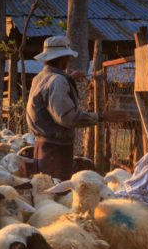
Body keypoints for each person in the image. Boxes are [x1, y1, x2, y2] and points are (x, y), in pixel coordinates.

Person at [25, 36, 124, 181]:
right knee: (58, 193)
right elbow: (66, 117)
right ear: (62, 59)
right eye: (67, 58)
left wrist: (69, 78)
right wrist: (101, 116)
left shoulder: (41, 77)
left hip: (42, 146)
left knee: (44, 193)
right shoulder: (57, 81)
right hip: (56, 151)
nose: (69, 61)